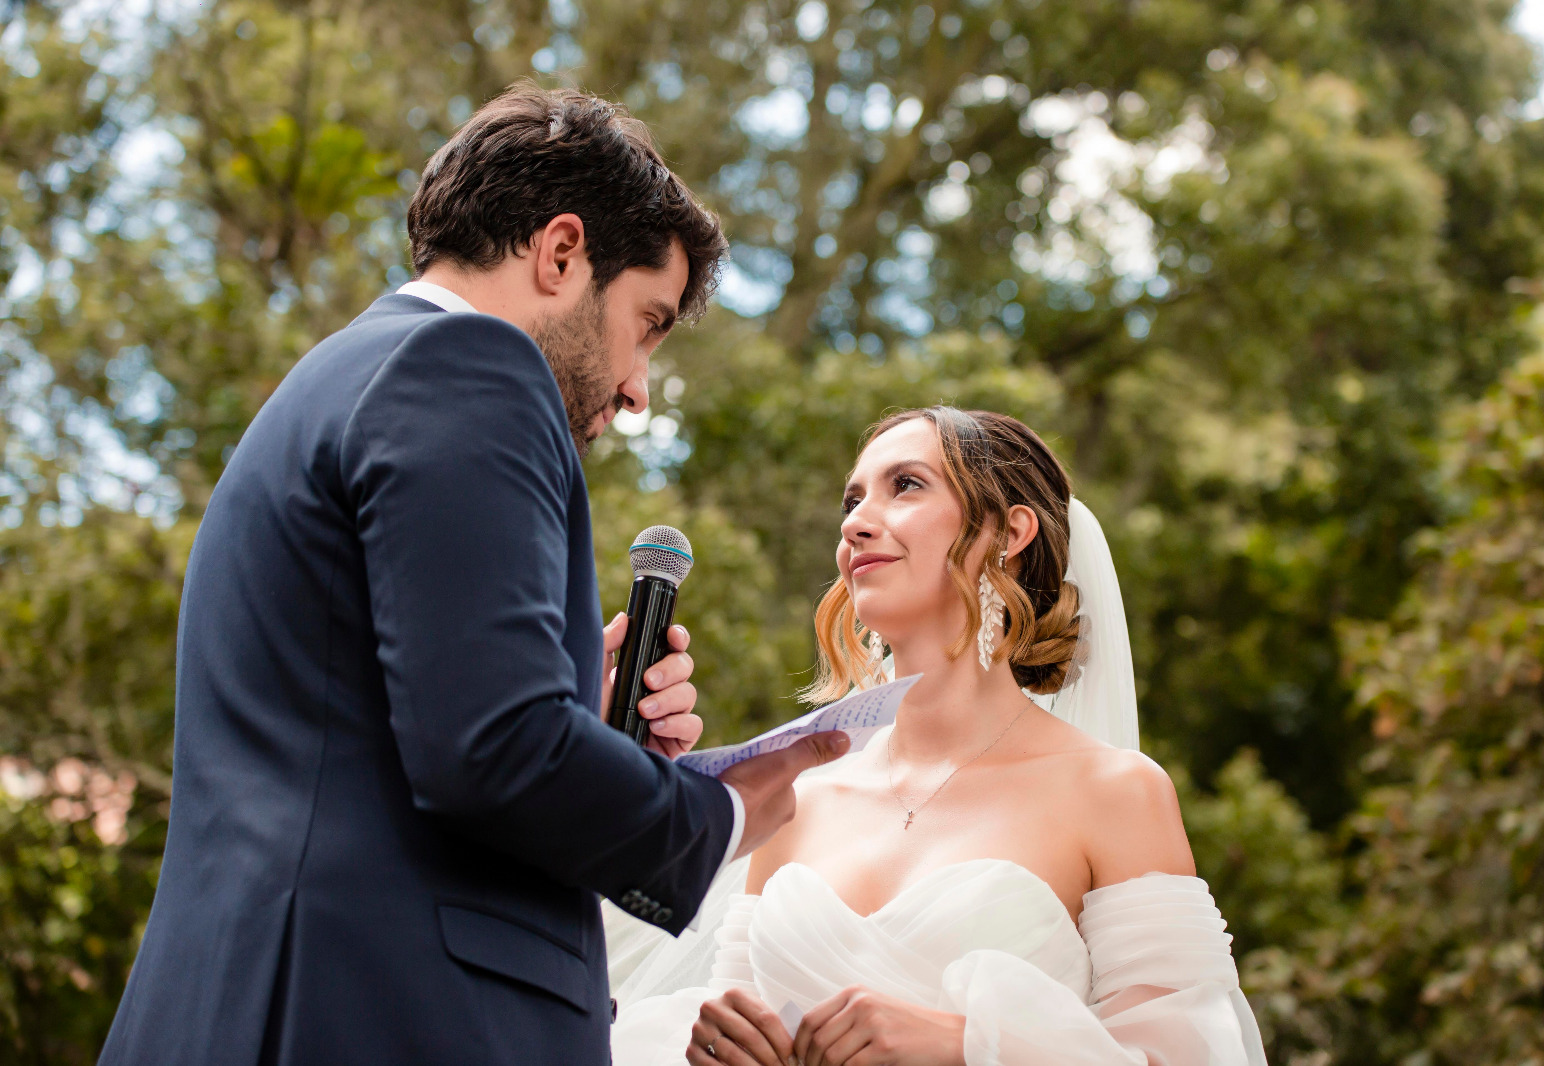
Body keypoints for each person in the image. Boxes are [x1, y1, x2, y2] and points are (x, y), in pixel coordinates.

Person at [99, 84, 845, 1066]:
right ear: (561, 251)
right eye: (647, 323)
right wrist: (734, 803)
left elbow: (404, 727)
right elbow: (493, 751)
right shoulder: (468, 365)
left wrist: (583, 717)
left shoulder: (350, 371)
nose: (636, 387)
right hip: (365, 1016)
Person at [607, 407, 1268, 1066]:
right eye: (853, 498)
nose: (855, 522)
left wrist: (967, 1045)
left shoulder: (1114, 792)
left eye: (907, 485)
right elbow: (732, 1014)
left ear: (1010, 531)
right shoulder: (794, 799)